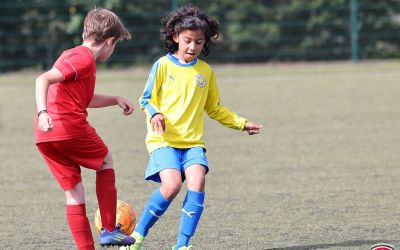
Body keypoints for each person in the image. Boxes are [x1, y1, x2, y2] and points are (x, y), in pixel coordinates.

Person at [121, 5, 262, 250]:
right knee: (172, 185)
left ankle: (182, 246)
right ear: (175, 37)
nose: (192, 47)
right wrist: (155, 113)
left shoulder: (205, 72)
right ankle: (137, 237)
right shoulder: (163, 66)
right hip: (163, 140)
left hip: (193, 142)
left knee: (197, 181)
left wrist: (241, 123)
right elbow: (146, 99)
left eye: (198, 42)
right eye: (187, 40)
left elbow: (215, 108)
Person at [35, 7, 136, 250]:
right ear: (110, 41)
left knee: (74, 193)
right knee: (106, 161)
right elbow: (43, 79)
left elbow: (84, 99)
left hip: (46, 137)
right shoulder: (83, 57)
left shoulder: (74, 57)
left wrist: (114, 99)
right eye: (115, 46)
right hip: (66, 125)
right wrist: (43, 112)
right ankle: (110, 230)